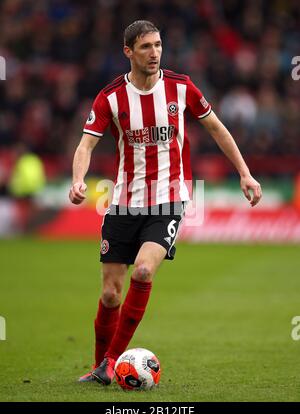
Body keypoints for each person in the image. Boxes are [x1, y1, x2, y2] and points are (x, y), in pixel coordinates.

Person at [69, 20, 262, 385]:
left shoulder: (181, 87)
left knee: (143, 271)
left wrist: (245, 172)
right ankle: (99, 367)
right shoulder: (110, 97)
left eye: (158, 45)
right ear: (128, 51)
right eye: (145, 47)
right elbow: (86, 144)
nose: (154, 52)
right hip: (124, 202)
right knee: (110, 293)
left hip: (169, 199)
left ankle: (111, 359)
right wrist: (79, 179)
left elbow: (217, 127)